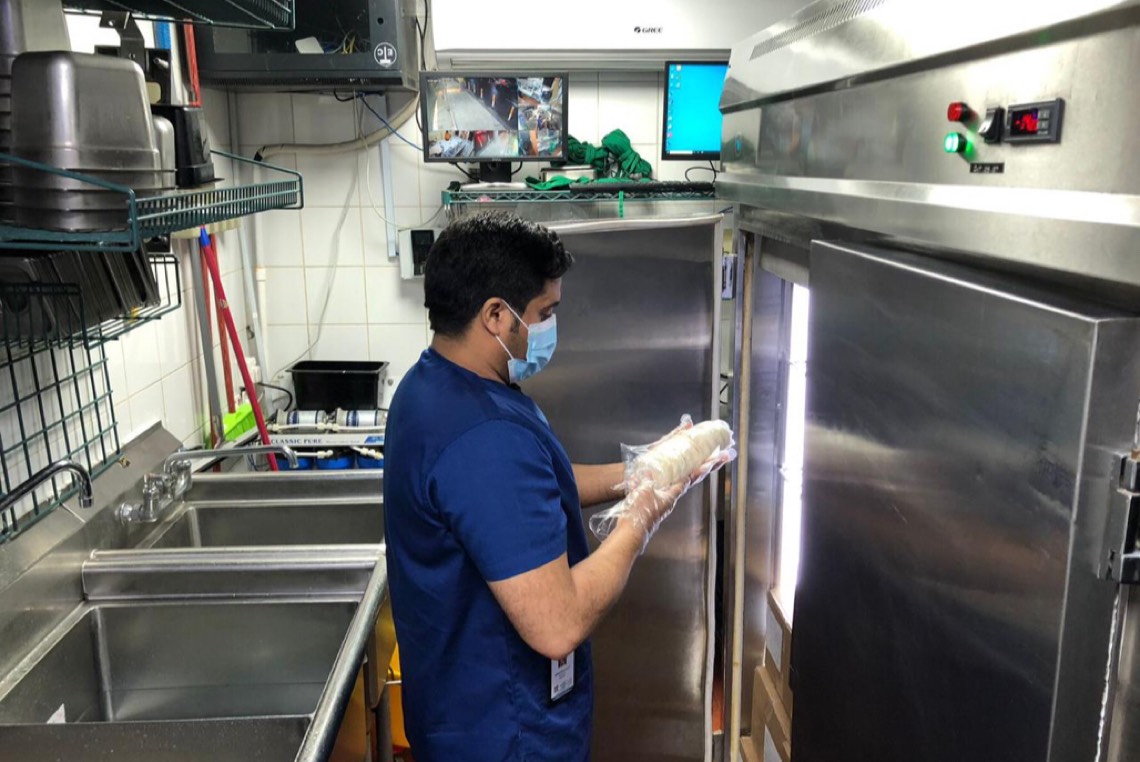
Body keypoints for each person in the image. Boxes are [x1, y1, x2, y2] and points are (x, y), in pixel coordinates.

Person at [383, 212, 729, 761]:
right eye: (544, 313)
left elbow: (534, 489)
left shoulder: (432, 388)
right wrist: (642, 518)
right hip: (506, 735)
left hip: (461, 715)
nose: (549, 329)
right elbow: (557, 623)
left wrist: (641, 470)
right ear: (496, 315)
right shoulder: (484, 438)